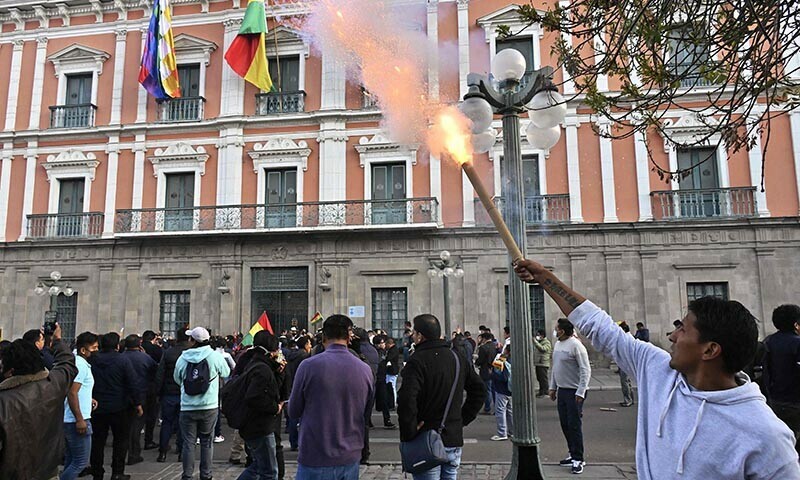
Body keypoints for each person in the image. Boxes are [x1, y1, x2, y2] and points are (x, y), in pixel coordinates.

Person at [515, 258, 800, 479]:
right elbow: (600, 326)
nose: (672, 336)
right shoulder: (658, 369)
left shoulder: (767, 436)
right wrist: (544, 277)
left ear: (710, 350)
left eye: (683, 330)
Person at [398, 314, 485, 480]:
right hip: (452, 437)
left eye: (414, 333)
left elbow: (407, 400)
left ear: (419, 336)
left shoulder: (417, 361)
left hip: (426, 438)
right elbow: (479, 391)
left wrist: (409, 431)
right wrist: (461, 419)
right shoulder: (457, 358)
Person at [288, 314, 373, 480]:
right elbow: (366, 413)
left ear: (323, 337)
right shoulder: (365, 369)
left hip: (315, 453)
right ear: (349, 337)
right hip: (350, 454)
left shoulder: (308, 366)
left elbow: (294, 410)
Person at [0, 324, 77, 479]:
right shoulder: (54, 384)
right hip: (47, 471)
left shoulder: (4, 402)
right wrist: (57, 340)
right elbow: (67, 362)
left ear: (9, 370)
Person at [174, 326, 232, 480]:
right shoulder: (215, 356)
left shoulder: (183, 357)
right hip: (209, 406)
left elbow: (177, 377)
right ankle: (206, 475)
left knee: (188, 443)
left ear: (192, 340)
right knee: (207, 442)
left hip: (187, 406)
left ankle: (187, 475)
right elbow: (226, 372)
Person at [89, 332, 143, 480]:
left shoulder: (93, 360)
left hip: (97, 407)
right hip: (120, 407)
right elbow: (133, 383)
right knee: (120, 441)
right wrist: (138, 403)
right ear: (117, 346)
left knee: (98, 442)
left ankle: (97, 472)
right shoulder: (123, 361)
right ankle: (117, 472)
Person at [235, 331, 282, 480]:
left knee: (259, 465)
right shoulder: (262, 369)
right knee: (269, 472)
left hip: (252, 424)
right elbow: (254, 397)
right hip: (260, 425)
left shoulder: (252, 362)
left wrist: (278, 372)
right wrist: (275, 408)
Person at [548, 318, 591, 474]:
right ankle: (572, 453)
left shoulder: (576, 346)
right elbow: (555, 368)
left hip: (574, 391)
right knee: (565, 424)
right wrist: (552, 387)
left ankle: (578, 458)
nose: (555, 330)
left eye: (556, 328)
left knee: (574, 425)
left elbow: (585, 370)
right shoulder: (558, 344)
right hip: (562, 390)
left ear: (563, 331)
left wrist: (581, 391)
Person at [762, 304, 800, 455]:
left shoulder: (768, 342)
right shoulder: (797, 343)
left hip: (774, 400)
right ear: (795, 324)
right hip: (795, 402)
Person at [61, 332, 99, 480]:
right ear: (84, 350)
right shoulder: (80, 365)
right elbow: (72, 392)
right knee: (80, 462)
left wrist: (88, 398)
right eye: (94, 348)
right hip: (76, 419)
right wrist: (79, 419)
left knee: (72, 460)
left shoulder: (78, 363)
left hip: (72, 418)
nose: (96, 351)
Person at [155, 328, 190, 462]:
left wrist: (158, 392)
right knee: (183, 424)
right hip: (184, 393)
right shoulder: (190, 353)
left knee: (167, 423)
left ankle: (162, 452)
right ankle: (181, 452)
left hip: (168, 393)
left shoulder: (169, 352)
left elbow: (160, 374)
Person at [122, 334, 157, 465]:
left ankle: (125, 452)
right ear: (139, 345)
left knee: (126, 426)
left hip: (124, 396)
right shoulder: (145, 358)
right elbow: (154, 372)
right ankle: (133, 453)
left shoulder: (121, 357)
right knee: (136, 425)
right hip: (141, 394)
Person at [284, 336, 312, 452]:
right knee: (303, 417)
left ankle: (293, 442)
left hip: (290, 386)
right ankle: (303, 442)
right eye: (309, 343)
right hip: (302, 387)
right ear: (305, 345)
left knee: (293, 416)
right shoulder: (305, 357)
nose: (310, 346)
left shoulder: (290, 355)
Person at [140, 330, 162, 450]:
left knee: (138, 414)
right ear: (153, 338)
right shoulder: (157, 349)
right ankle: (148, 439)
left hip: (138, 385)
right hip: (152, 385)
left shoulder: (138, 348)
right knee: (151, 414)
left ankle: (135, 438)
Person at [490, 345, 512, 441]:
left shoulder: (501, 359)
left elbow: (499, 376)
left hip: (501, 389)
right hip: (512, 389)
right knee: (510, 411)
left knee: (500, 411)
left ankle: (502, 433)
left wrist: (492, 374)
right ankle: (512, 431)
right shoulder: (517, 359)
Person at [474, 332, 496, 414]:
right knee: (493, 390)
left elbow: (480, 360)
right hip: (493, 370)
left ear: (484, 338)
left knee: (487, 390)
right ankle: (495, 408)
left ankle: (487, 408)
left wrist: (476, 363)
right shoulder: (494, 346)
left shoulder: (483, 348)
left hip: (485, 370)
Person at [617, 323, 635, 407]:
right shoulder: (628, 337)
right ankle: (631, 399)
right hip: (627, 362)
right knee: (627, 381)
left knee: (624, 382)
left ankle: (628, 400)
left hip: (625, 362)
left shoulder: (626, 338)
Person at [533, 329, 552, 397]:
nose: (537, 336)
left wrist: (535, 342)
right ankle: (541, 391)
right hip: (539, 363)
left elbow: (543, 349)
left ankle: (545, 391)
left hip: (543, 363)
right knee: (539, 378)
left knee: (543, 378)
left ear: (542, 335)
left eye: (539, 335)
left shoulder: (546, 342)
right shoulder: (540, 342)